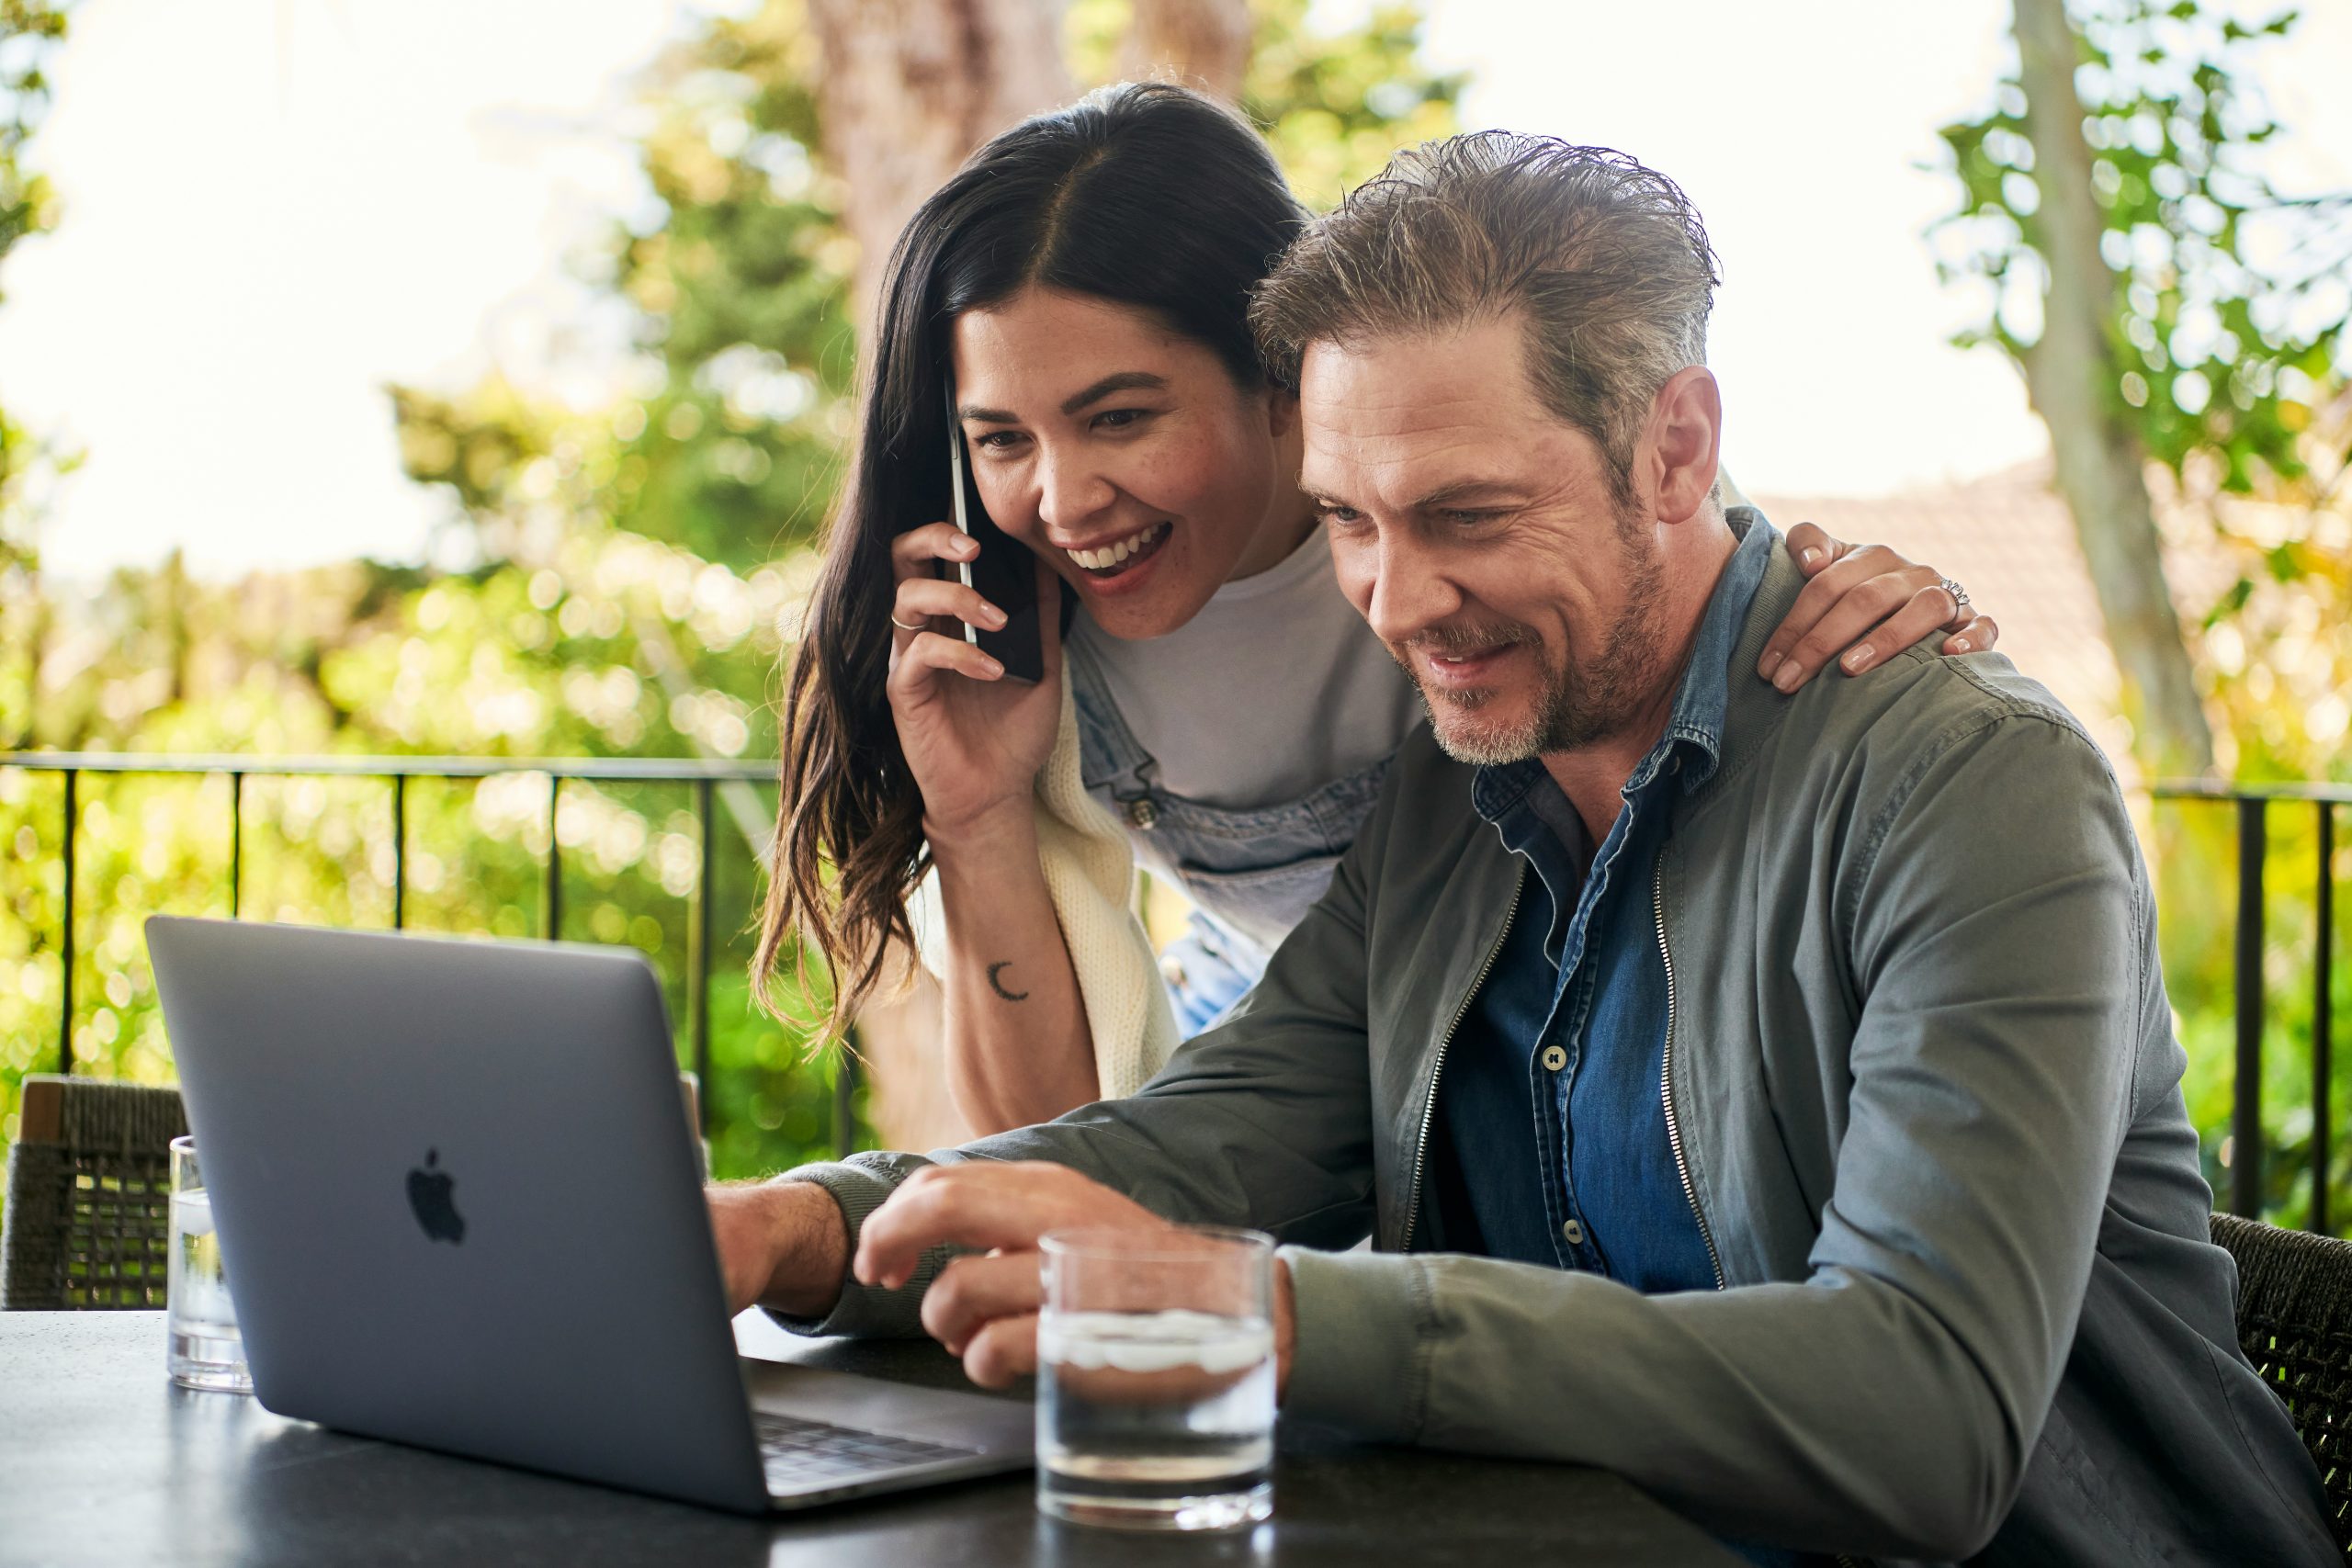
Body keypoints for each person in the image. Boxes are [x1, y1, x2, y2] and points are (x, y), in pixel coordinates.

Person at [710, 133, 2335, 1564]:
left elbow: (1929, 1419)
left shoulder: (1969, 788)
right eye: (1350, 521)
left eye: (1467, 517)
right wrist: (806, 1226)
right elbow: (1204, 1139)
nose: (1401, 607)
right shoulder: (1458, 789)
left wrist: (1266, 1311)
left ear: (1679, 449)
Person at [756, 82, 2001, 1135]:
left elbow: (1711, 582)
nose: (1064, 499)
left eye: (1121, 418)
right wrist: (976, 817)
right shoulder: (1015, 644)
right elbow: (1047, 1150)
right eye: (1001, 439)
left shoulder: (1490, 503)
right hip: (1271, 1060)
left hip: (1555, 1050)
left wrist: (1863, 606)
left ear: (1282, 380)